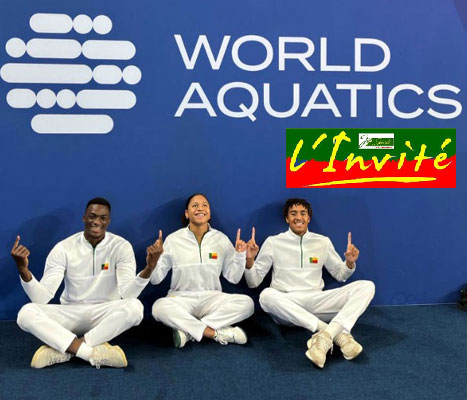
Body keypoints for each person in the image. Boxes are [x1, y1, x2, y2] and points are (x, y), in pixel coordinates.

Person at [11, 197, 163, 369]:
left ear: (108, 221)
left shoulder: (121, 246)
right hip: (71, 313)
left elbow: (128, 294)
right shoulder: (63, 248)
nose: (96, 222)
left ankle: (66, 348)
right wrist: (23, 270)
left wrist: (149, 268)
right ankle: (88, 352)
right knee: (26, 313)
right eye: (92, 216)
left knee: (135, 307)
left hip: (105, 313)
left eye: (102, 218)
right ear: (84, 218)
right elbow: (41, 298)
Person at [244, 198, 375, 368]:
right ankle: (336, 335)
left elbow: (340, 275)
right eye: (293, 214)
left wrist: (349, 263)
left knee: (367, 286)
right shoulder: (273, 242)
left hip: (317, 302)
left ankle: (326, 336)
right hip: (287, 306)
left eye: (303, 213)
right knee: (266, 295)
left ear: (309, 218)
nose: (298, 217)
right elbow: (253, 282)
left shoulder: (322, 241)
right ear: (287, 219)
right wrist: (249, 259)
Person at [151, 193, 254, 348]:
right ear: (187, 213)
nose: (200, 209)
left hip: (212, 298)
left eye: (204, 205)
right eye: (195, 205)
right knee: (158, 307)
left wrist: (240, 255)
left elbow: (233, 278)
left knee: (247, 303)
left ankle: (189, 331)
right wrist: (152, 261)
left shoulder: (221, 239)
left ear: (209, 213)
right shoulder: (173, 240)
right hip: (181, 298)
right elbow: (155, 279)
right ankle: (214, 333)